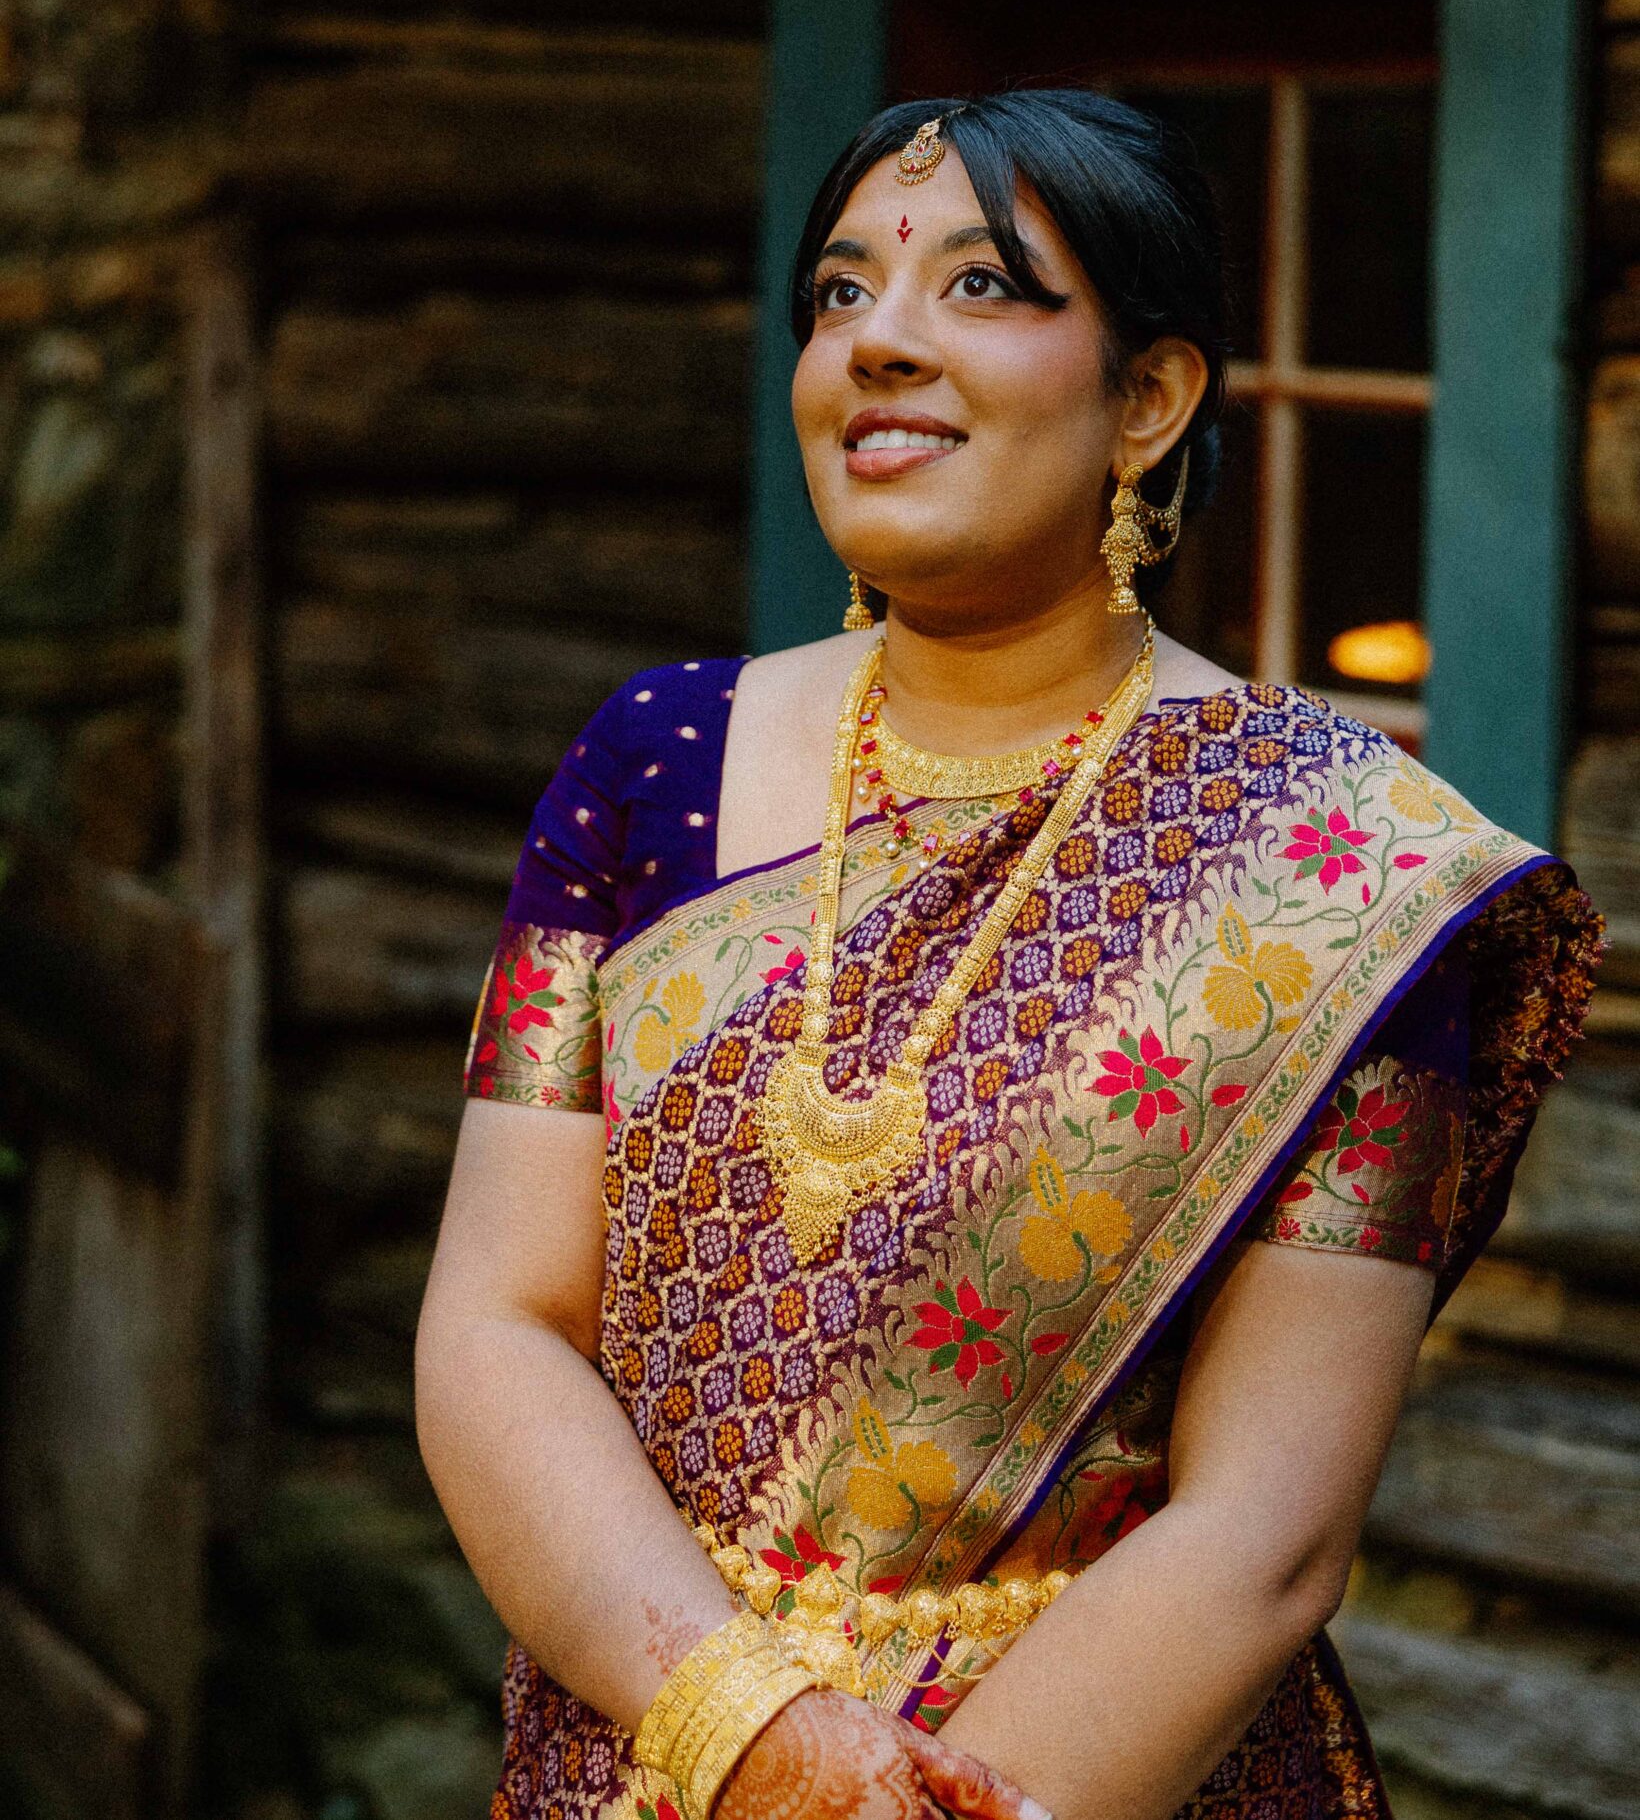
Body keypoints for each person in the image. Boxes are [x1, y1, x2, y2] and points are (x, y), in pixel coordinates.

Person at [415, 90, 1602, 1820]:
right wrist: (744, 1731)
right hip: (645, 1742)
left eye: (979, 288)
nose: (878, 342)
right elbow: (497, 1324)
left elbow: (1263, 1532)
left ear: (1149, 398)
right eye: (838, 295)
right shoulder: (646, 767)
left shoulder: (1343, 871)